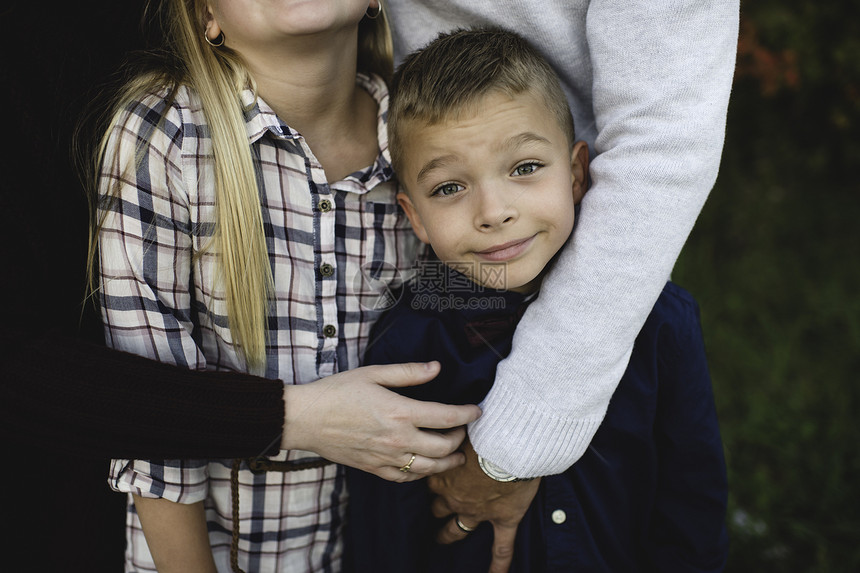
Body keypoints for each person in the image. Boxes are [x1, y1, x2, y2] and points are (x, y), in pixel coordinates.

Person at [88, 1, 481, 571]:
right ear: (208, 16)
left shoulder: (430, 136)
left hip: (393, 544)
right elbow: (152, 429)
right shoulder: (164, 136)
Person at [346, 28, 729, 573]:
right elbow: (385, 538)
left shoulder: (659, 320)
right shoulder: (408, 343)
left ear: (576, 173)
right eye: (449, 187)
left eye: (525, 168)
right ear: (415, 218)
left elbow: (692, 503)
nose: (494, 210)